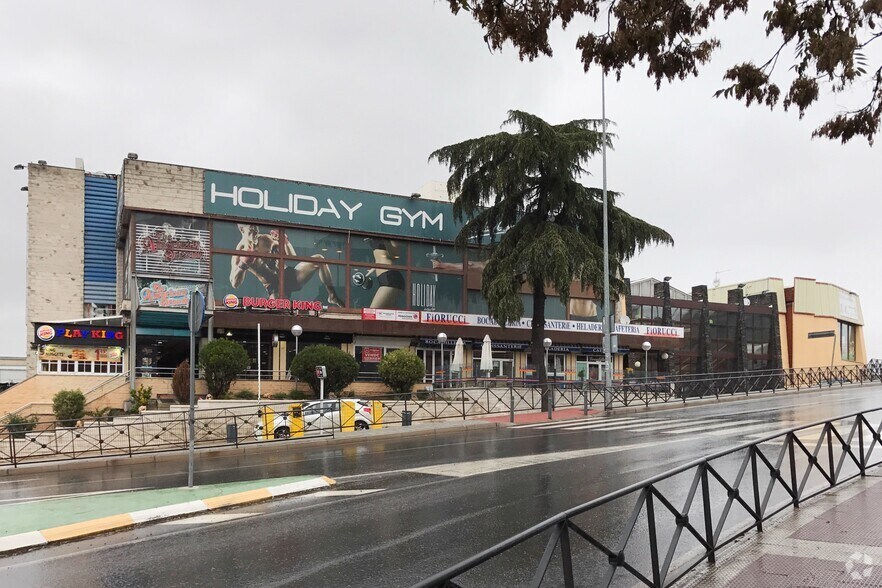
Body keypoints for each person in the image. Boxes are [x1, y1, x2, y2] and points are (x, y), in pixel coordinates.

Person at [229, 224, 342, 306]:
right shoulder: (239, 252)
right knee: (279, 312)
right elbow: (234, 283)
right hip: (273, 286)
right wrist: (242, 265)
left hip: (289, 275)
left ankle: (332, 295)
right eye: (251, 230)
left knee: (319, 259)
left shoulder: (265, 239)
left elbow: (292, 256)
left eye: (256, 230)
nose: (255, 232)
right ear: (242, 230)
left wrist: (285, 241)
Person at [360, 238, 404, 308]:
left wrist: (385, 239)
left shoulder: (391, 234)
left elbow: (395, 255)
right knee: (384, 314)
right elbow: (379, 260)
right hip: (384, 278)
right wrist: (368, 275)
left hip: (391, 277)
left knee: (372, 313)